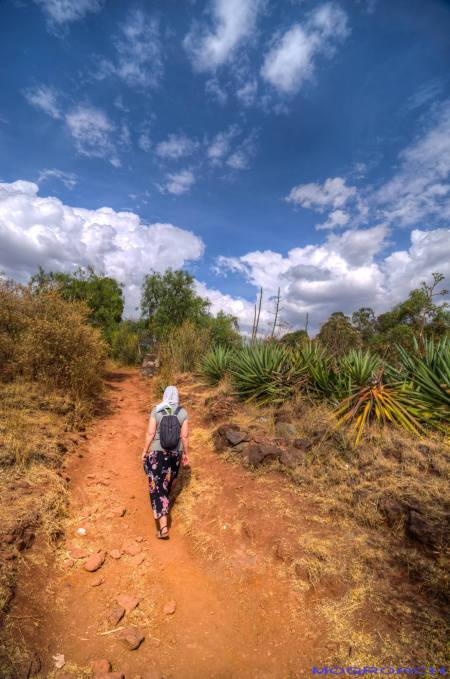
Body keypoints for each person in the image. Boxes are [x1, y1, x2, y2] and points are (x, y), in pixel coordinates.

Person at [141, 385, 189, 539]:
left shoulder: (157, 410)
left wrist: (144, 451)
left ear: (165, 395)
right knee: (171, 480)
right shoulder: (182, 412)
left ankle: (163, 527)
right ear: (177, 396)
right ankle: (166, 501)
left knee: (157, 486)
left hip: (157, 452)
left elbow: (150, 432)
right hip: (175, 453)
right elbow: (185, 436)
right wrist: (186, 454)